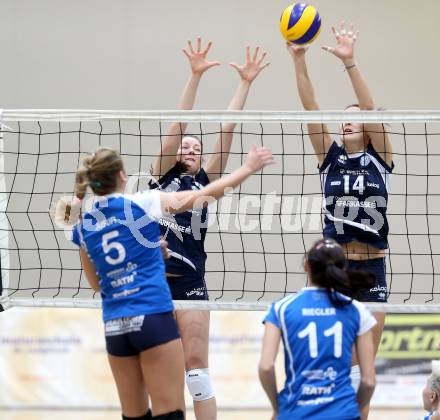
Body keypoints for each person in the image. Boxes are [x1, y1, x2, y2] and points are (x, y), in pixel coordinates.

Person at [62, 145, 273, 420]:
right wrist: (248, 168)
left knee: (135, 416)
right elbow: (202, 197)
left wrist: (150, 253)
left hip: (115, 326)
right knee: (169, 413)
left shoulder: (85, 225)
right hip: (152, 319)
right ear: (123, 176)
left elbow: (97, 285)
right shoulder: (141, 203)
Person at [149, 37, 269, 420]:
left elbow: (228, 129)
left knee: (197, 372)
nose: (189, 149)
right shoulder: (158, 178)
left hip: (191, 282)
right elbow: (177, 124)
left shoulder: (205, 183)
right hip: (154, 280)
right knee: (160, 375)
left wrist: (245, 83)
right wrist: (194, 76)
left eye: (196, 147)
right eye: (184, 146)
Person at [286, 21, 393, 407]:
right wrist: (298, 60)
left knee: (363, 370)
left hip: (373, 271)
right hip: (335, 270)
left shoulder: (379, 158)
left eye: (354, 115)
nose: (348, 118)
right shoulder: (329, 160)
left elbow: (369, 108)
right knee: (335, 363)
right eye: (343, 115)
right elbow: (311, 108)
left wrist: (350, 63)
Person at [259, 238, 377, 420]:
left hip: (295, 411)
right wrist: (352, 411)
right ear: (342, 269)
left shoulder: (281, 308)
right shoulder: (357, 311)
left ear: (307, 266)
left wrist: (279, 407)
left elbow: (266, 367)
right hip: (343, 413)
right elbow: (368, 382)